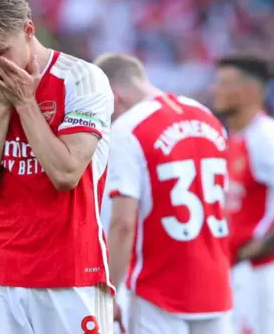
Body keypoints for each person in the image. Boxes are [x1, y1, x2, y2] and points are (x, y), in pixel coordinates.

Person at [0, 0, 115, 334]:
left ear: (28, 30)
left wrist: (25, 103)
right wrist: (4, 109)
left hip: (72, 273)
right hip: (0, 273)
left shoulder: (82, 79)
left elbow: (66, 173)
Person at [97, 53, 233, 334]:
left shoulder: (129, 128)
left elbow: (123, 224)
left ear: (112, 91)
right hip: (215, 284)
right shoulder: (208, 117)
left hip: (158, 289)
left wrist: (106, 293)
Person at [211, 54, 274, 334]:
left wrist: (263, 242)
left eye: (223, 83)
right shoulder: (235, 137)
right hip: (239, 270)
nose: (214, 89)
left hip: (262, 271)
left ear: (249, 91)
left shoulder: (265, 135)